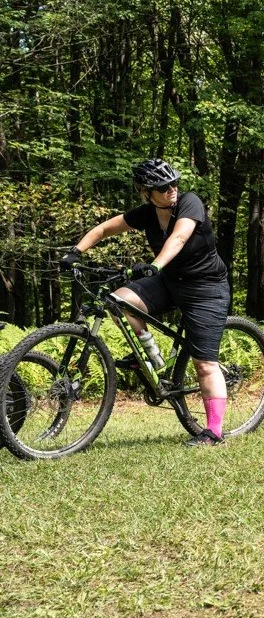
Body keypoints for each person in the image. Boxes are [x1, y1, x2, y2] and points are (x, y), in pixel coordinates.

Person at [60, 159, 230, 446]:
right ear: (145, 192)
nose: (171, 189)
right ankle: (150, 358)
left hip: (206, 287)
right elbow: (103, 229)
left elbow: (179, 237)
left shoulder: (190, 203)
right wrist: (75, 252)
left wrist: (155, 265)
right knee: (120, 300)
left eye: (174, 183)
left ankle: (213, 431)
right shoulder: (146, 214)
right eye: (163, 187)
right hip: (170, 281)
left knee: (205, 364)